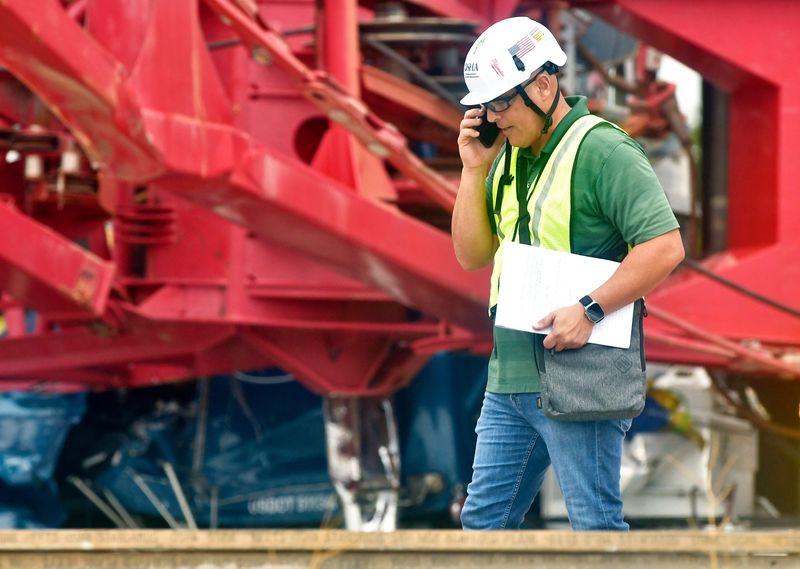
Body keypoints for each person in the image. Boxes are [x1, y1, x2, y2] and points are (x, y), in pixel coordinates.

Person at [452, 17, 685, 530]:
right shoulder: (505, 158)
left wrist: (589, 309)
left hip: (584, 375)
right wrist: (472, 170)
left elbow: (665, 246)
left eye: (502, 103)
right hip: (510, 378)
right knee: (481, 529)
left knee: (593, 528)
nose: (492, 117)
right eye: (485, 106)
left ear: (543, 84)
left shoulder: (605, 151)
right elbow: (471, 255)